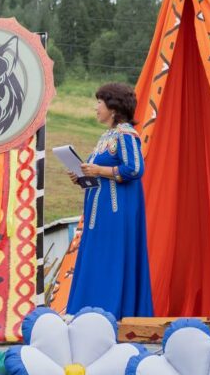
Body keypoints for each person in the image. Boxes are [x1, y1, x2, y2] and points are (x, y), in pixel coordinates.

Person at [66, 83, 154, 319]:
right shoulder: (106, 136)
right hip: (99, 212)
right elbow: (97, 173)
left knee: (111, 258)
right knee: (97, 258)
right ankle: (89, 314)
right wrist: (81, 176)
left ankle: (111, 313)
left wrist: (98, 170)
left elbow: (135, 169)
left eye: (99, 102)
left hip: (116, 213)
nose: (96, 107)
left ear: (113, 107)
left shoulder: (126, 134)